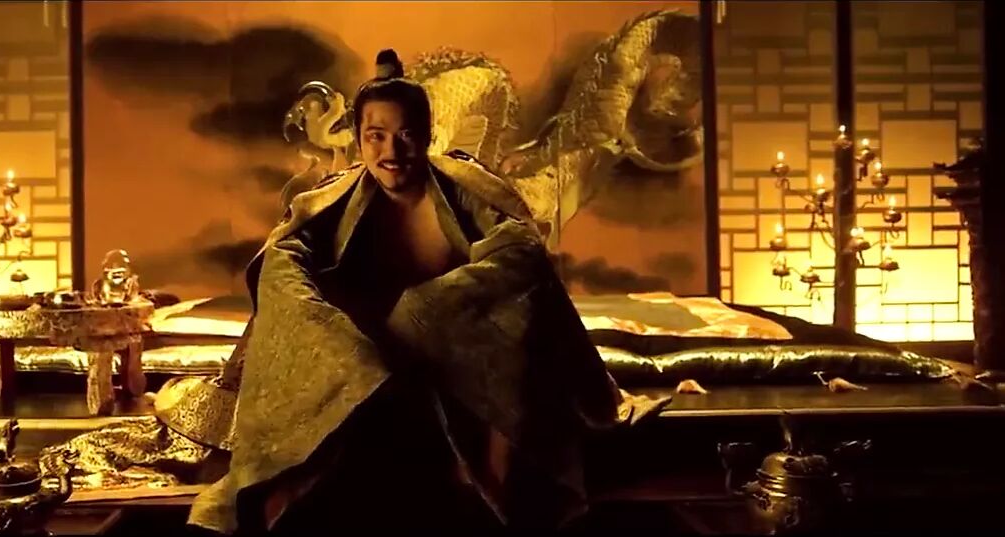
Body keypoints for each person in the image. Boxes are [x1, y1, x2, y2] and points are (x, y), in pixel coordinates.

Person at [183, 49, 668, 535]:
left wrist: (432, 306)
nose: (391, 151)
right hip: (371, 359)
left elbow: (520, 248)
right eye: (376, 136)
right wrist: (329, 325)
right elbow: (284, 258)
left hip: (459, 358)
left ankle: (502, 500)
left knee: (516, 338)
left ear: (428, 134)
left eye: (406, 134)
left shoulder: (464, 189)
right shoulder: (333, 201)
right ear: (358, 138)